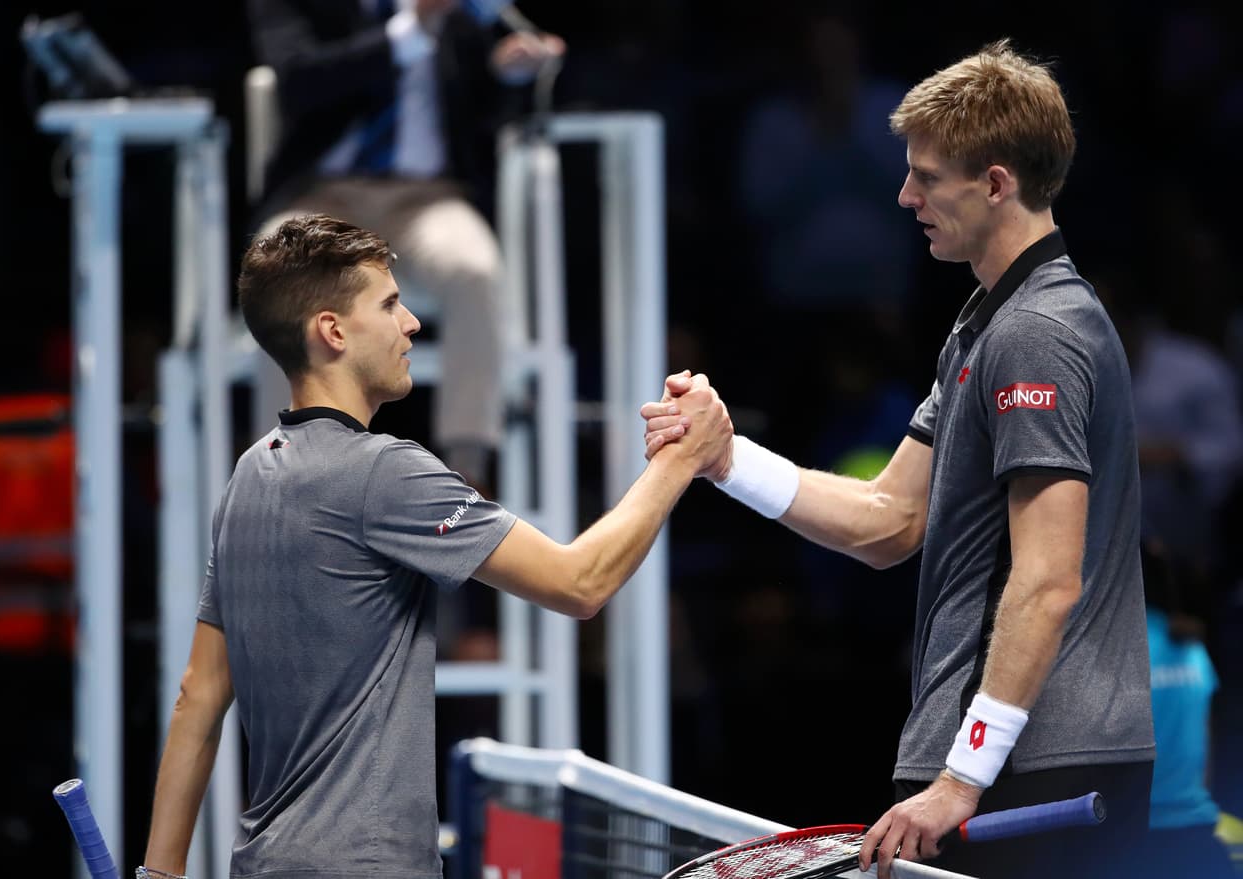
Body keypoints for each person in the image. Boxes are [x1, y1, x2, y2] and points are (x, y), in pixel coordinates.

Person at [644, 41, 1154, 879]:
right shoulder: (987, 321)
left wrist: (963, 776)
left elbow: (1049, 577)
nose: (904, 194)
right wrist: (725, 459)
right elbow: (890, 520)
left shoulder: (1037, 331)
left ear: (995, 183)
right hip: (1006, 762)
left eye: (926, 176)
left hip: (1034, 769)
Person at [137, 214, 732, 879]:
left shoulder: (249, 475)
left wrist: (158, 873)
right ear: (332, 331)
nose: (412, 324)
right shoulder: (386, 472)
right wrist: (681, 460)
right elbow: (580, 582)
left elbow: (199, 692)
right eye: (390, 306)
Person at [246, 0, 566, 493]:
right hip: (323, 194)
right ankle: (284, 472)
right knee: (280, 268)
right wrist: (410, 30)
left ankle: (468, 472)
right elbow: (298, 82)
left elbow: (485, 115)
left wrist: (510, 75)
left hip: (426, 199)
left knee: (474, 269)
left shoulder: (461, 12)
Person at [1140, 540, 1235, 878]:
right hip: (1196, 830)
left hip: (1136, 835)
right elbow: (1205, 752)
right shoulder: (1194, 651)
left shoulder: (1118, 651)